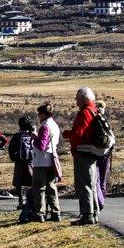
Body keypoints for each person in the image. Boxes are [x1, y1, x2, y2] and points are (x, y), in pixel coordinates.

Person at [62, 86, 99, 225]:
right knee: (91, 183)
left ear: (84, 99)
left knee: (84, 184)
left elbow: (79, 135)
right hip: (91, 152)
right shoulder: (94, 111)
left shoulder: (84, 113)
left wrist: (68, 134)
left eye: (77, 98)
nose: (76, 101)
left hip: (83, 153)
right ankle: (93, 213)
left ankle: (87, 215)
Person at [30, 101, 61, 223]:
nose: (38, 116)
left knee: (39, 187)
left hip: (41, 161)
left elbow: (41, 145)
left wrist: (34, 136)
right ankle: (55, 212)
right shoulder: (54, 125)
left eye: (39, 114)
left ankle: (39, 213)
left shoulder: (44, 126)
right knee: (51, 187)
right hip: (52, 158)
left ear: (43, 114)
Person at [8, 115, 35, 213]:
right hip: (31, 161)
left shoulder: (17, 136)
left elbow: (11, 148)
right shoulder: (32, 134)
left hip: (20, 161)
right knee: (32, 180)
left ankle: (21, 201)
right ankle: (33, 200)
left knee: (19, 182)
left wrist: (14, 158)